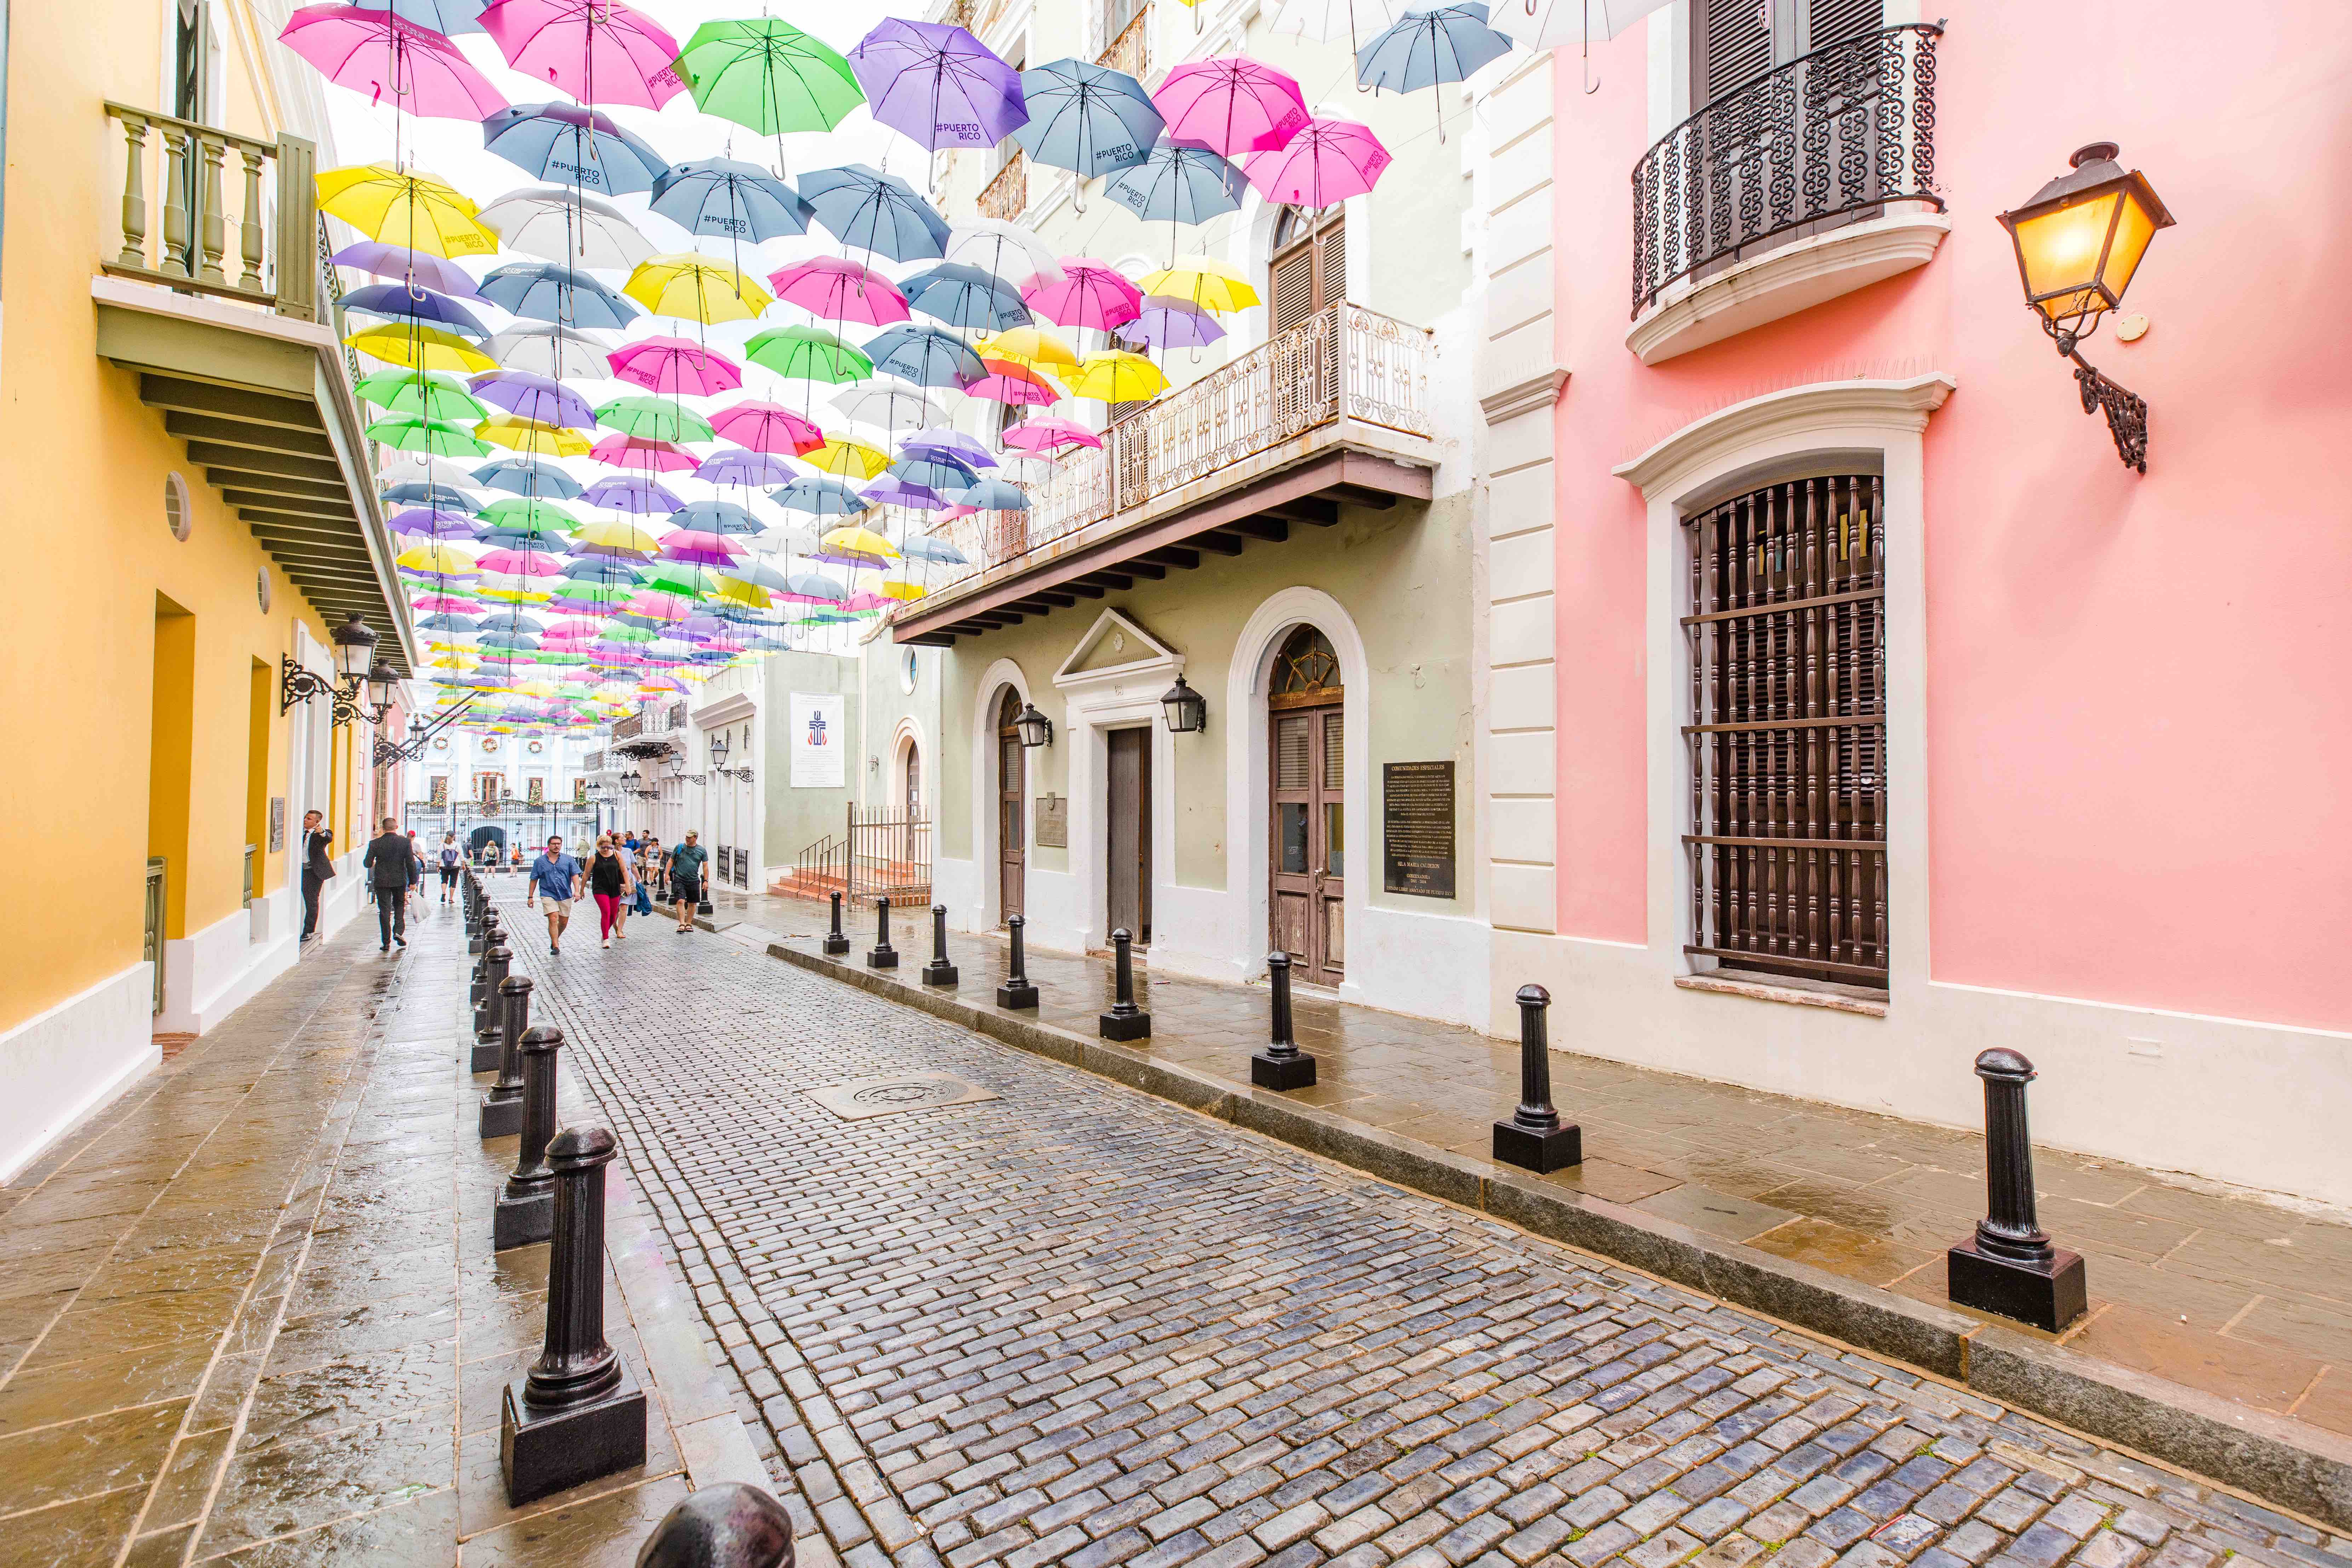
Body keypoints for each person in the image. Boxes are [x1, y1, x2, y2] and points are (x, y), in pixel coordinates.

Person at [361, 816, 420, 952]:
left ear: (383, 828)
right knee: (400, 906)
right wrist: (413, 881)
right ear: (396, 827)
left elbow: (367, 864)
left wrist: (375, 862)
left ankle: (386, 942)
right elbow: (411, 863)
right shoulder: (405, 842)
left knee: (384, 910)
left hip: (382, 881)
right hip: (399, 880)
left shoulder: (375, 843)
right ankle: (398, 931)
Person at [526, 834, 583, 955]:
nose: (557, 846)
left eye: (559, 844)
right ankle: (556, 946)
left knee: (563, 922)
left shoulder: (568, 860)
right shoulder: (540, 862)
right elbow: (534, 879)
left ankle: (555, 938)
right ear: (549, 845)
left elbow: (575, 875)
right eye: (554, 844)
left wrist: (577, 891)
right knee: (553, 918)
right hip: (548, 893)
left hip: (565, 894)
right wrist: (530, 897)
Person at [586, 835, 636, 948]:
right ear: (599, 847)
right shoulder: (594, 858)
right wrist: (581, 890)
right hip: (600, 888)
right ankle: (606, 938)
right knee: (606, 912)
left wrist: (628, 886)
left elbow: (624, 871)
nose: (606, 850)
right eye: (604, 848)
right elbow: (586, 875)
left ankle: (605, 933)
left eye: (609, 847)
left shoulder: (617, 855)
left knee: (614, 916)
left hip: (615, 887)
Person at [299, 810, 335, 942]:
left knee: (312, 900)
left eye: (309, 819)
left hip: (313, 872)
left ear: (317, 822)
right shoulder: (299, 832)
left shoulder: (320, 834)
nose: (305, 820)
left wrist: (321, 832)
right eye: (305, 818)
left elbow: (328, 837)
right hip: (299, 871)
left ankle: (308, 931)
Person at [668, 829, 709, 934]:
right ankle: (682, 924)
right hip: (679, 878)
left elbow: (705, 866)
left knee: (692, 903)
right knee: (680, 901)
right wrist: (666, 875)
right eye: (686, 837)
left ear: (696, 838)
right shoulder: (680, 847)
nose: (687, 839)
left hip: (694, 880)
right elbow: (671, 861)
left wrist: (706, 881)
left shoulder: (702, 851)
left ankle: (689, 924)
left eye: (690, 837)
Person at [437, 833, 462, 903]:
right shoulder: (457, 845)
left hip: (444, 865)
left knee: (444, 880)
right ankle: (451, 899)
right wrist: (463, 864)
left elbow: (439, 856)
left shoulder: (442, 845)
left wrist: (438, 865)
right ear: (454, 837)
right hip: (456, 864)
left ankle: (443, 893)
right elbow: (461, 855)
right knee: (453, 881)